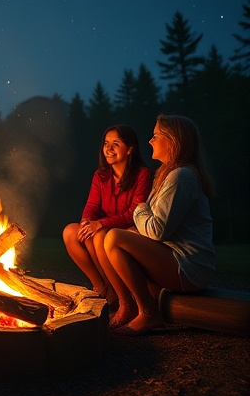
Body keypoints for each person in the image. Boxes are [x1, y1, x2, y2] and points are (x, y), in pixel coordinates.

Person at [103, 115, 216, 335]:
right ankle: (135, 307)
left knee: (114, 238)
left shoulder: (181, 176)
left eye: (156, 136)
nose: (150, 141)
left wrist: (139, 208)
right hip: (178, 261)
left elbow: (156, 230)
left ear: (173, 141)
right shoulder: (169, 174)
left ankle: (148, 313)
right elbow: (157, 229)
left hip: (189, 266)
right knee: (121, 236)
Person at [63, 125, 152, 307]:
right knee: (71, 232)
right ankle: (102, 287)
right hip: (102, 227)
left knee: (97, 235)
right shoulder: (101, 175)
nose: (108, 149)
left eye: (116, 144)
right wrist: (86, 221)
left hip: (127, 231)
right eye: (106, 143)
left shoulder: (142, 174)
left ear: (130, 149)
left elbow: (133, 213)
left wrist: (99, 224)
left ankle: (120, 295)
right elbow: (92, 205)